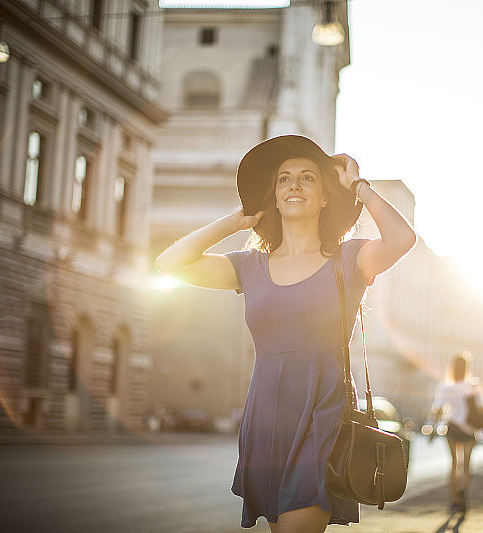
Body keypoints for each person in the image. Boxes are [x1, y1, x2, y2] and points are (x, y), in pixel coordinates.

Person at [155, 135, 416, 532]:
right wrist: (238, 218)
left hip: (322, 416)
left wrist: (358, 186)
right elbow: (169, 262)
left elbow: (402, 239)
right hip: (266, 418)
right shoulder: (249, 267)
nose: (294, 185)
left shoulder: (349, 259)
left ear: (325, 195)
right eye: (284, 179)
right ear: (274, 197)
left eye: (308, 178)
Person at [428, 351, 483, 513]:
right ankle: (464, 495)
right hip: (469, 429)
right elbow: (481, 408)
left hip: (452, 427)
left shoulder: (445, 386)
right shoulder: (474, 385)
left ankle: (454, 500)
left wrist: (432, 428)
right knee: (467, 465)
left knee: (454, 464)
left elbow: (438, 410)